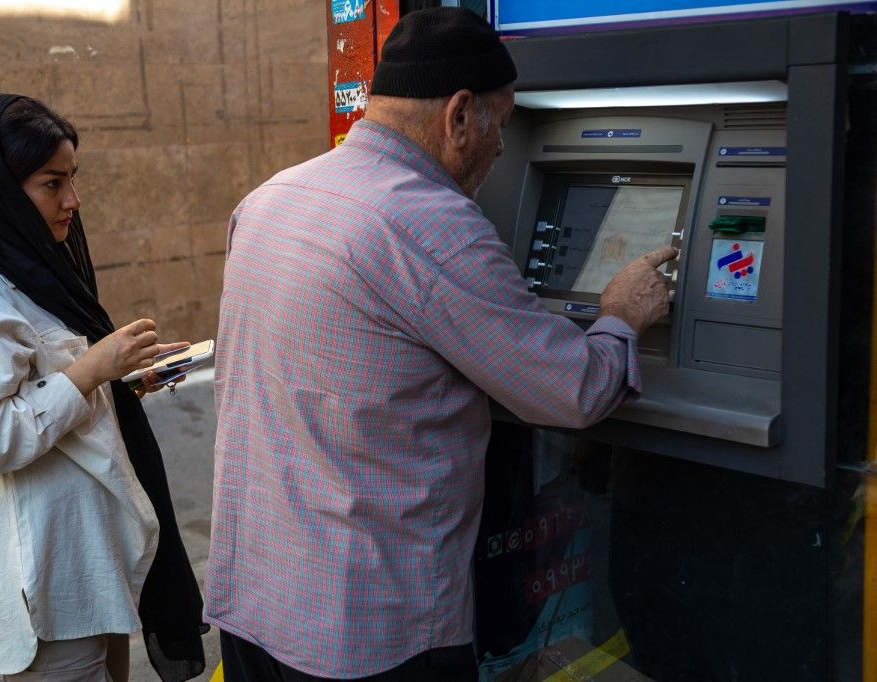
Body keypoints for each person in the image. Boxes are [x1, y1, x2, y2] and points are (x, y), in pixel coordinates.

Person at [205, 7, 675, 682]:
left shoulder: (272, 196)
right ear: (460, 114)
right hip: (369, 632)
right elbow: (573, 389)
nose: (503, 148)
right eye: (503, 122)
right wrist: (622, 316)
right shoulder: (432, 223)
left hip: (257, 602)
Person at [0, 94, 207, 681]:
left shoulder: (25, 269)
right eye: (51, 184)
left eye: (72, 180)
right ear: (0, 189)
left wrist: (121, 380)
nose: (72, 202)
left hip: (84, 563)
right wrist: (90, 369)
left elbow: (42, 393)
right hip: (40, 579)